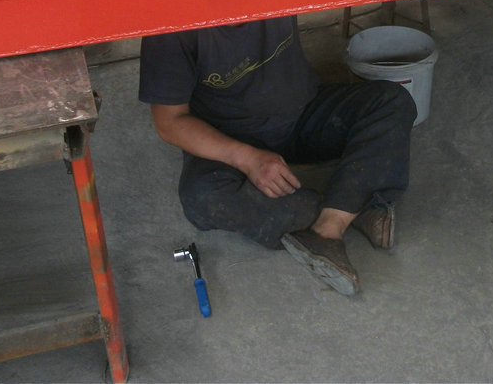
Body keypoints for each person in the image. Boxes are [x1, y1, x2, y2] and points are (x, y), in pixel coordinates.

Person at [138, 15, 416, 296]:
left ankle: (329, 226)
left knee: (392, 102)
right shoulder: (173, 25)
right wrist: (247, 159)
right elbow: (169, 123)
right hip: (229, 138)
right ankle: (351, 205)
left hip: (303, 113)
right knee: (202, 196)